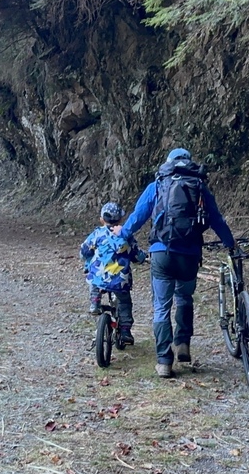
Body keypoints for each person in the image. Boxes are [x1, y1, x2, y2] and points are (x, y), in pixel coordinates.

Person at [115, 148, 235, 378]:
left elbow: (137, 217)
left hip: (162, 254)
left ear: (168, 164)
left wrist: (123, 233)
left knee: (161, 306)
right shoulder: (199, 186)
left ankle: (164, 362)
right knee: (184, 298)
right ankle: (182, 344)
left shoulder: (158, 185)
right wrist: (230, 243)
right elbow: (216, 220)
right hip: (189, 254)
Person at [80, 202, 147, 346]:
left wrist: (88, 261)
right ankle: (125, 331)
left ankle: (95, 303)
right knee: (124, 302)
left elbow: (85, 250)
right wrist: (143, 258)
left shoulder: (97, 233)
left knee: (93, 281)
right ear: (121, 220)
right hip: (120, 280)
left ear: (101, 220)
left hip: (99, 276)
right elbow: (136, 255)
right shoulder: (126, 237)